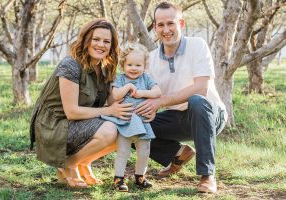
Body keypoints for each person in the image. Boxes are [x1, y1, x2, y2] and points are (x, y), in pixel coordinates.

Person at [30, 19, 134, 188]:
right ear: (86, 40)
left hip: (78, 122)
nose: (101, 45)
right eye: (96, 39)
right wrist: (110, 111)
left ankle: (84, 163)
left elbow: (113, 102)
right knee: (110, 130)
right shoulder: (70, 65)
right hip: (56, 125)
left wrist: (135, 90)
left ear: (112, 45)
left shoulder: (105, 68)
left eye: (107, 41)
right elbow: (71, 112)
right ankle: (69, 164)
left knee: (127, 128)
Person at [135, 2, 227, 193]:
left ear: (181, 24)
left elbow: (201, 88)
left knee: (197, 101)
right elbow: (145, 94)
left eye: (171, 23)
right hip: (176, 118)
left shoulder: (197, 45)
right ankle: (178, 154)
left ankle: (207, 175)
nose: (166, 30)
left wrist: (160, 102)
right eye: (160, 25)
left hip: (209, 114)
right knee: (134, 124)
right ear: (155, 27)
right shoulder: (150, 59)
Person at [101, 43, 161, 192]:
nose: (134, 68)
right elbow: (115, 95)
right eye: (130, 64)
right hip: (125, 121)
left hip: (142, 122)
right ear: (123, 65)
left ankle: (140, 176)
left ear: (144, 66)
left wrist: (141, 93)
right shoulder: (120, 79)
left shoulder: (146, 78)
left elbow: (157, 92)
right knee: (123, 151)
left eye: (138, 65)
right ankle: (119, 178)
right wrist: (128, 87)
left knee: (144, 150)